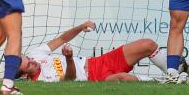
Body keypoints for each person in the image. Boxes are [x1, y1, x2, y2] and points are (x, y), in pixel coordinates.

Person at [18, 21, 169, 82]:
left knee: (147, 44)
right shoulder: (43, 82)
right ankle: (163, 83)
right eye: (29, 65)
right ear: (25, 74)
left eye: (29, 58)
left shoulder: (36, 54)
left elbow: (61, 39)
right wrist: (69, 59)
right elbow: (69, 79)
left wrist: (80, 27)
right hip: (94, 78)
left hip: (97, 62)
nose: (33, 61)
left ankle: (172, 74)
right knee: (123, 78)